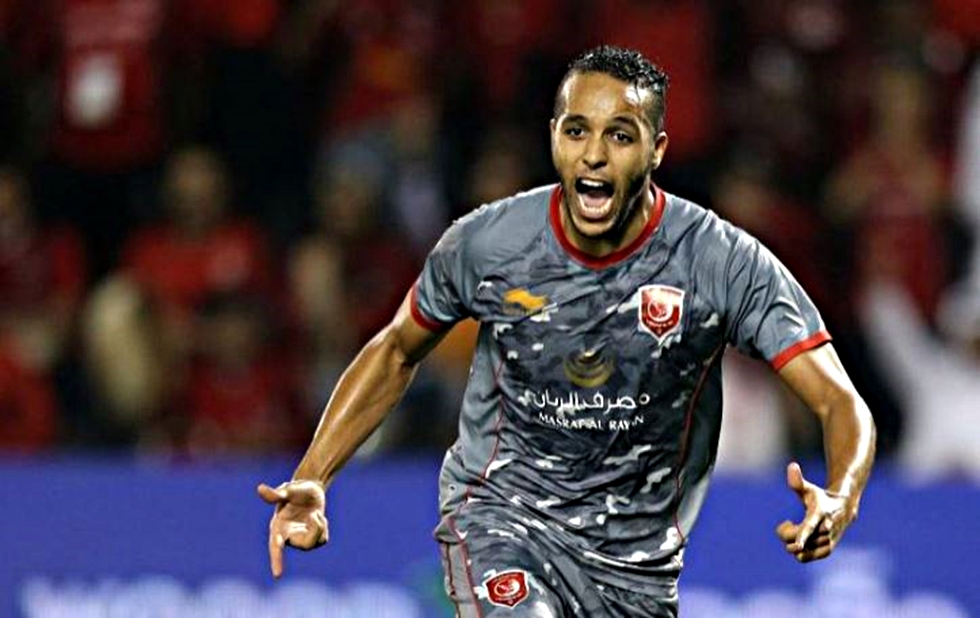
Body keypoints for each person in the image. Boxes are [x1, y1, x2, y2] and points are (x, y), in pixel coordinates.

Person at [258, 45, 876, 617]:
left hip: (636, 569)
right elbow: (396, 350)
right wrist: (314, 475)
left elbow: (839, 401)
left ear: (657, 150)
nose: (594, 155)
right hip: (502, 519)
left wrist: (841, 495)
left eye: (620, 136)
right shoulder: (488, 244)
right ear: (554, 134)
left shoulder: (719, 262)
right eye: (577, 130)